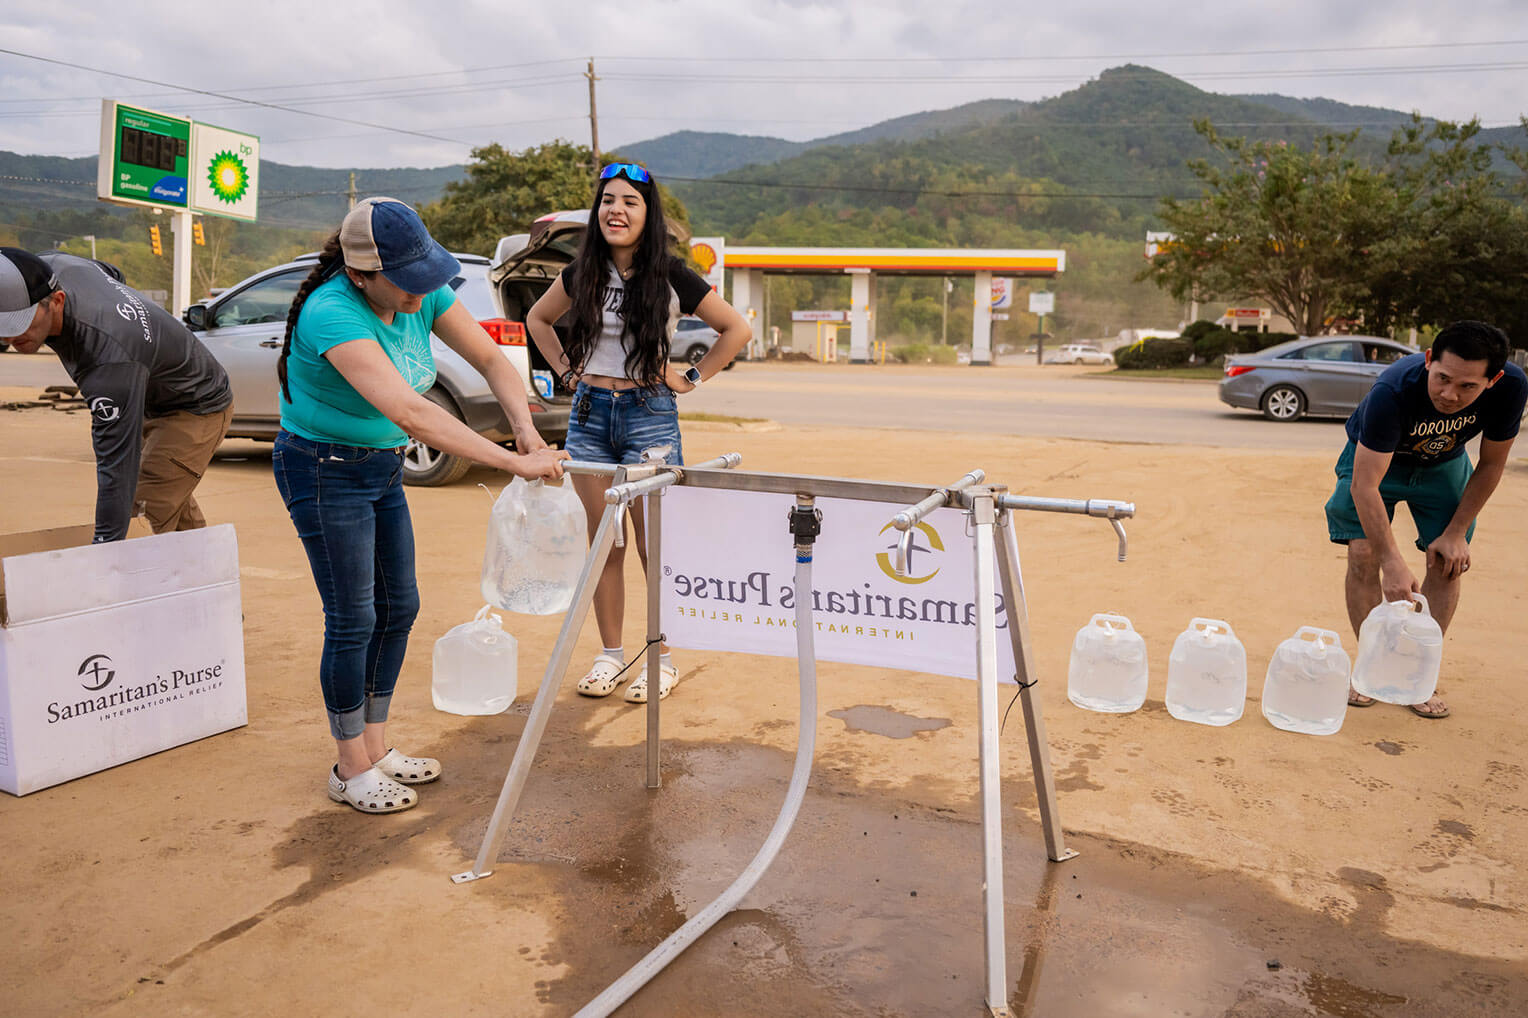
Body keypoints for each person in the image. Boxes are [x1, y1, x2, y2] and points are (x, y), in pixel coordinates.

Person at [276, 197, 567, 814]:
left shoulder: (424, 291)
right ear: (360, 273)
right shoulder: (332, 311)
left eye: (423, 280)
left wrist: (525, 428)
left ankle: (376, 747)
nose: (418, 296)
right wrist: (513, 463)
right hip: (323, 469)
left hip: (379, 468)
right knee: (352, 617)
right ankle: (349, 764)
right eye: (404, 284)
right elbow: (411, 413)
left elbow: (491, 358)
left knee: (399, 605)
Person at [525, 162, 751, 704]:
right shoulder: (580, 272)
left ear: (647, 215)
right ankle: (610, 656)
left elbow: (736, 328)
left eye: (629, 201)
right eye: (607, 201)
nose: (616, 211)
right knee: (606, 541)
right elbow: (538, 320)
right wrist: (568, 373)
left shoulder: (672, 274)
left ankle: (661, 657)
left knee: (653, 544)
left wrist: (690, 378)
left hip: (650, 414)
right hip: (589, 416)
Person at [1325, 321, 1526, 719]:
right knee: (1364, 554)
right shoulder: (1393, 389)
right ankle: (1371, 668)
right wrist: (1392, 561)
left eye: (1467, 386)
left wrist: (1455, 533)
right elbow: (1364, 486)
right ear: (1429, 360)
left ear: (1493, 379)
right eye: (1442, 378)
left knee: (1448, 562)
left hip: (1444, 465)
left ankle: (1417, 674)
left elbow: (1490, 464)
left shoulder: (1512, 387)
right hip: (1378, 462)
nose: (1449, 395)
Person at [0, 247, 233, 543]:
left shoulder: (107, 360)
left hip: (195, 405)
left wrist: (106, 555)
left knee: (141, 517)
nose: (9, 338)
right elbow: (112, 274)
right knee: (167, 496)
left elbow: (116, 470)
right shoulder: (54, 265)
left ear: (56, 301)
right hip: (148, 393)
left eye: (20, 324)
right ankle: (209, 578)